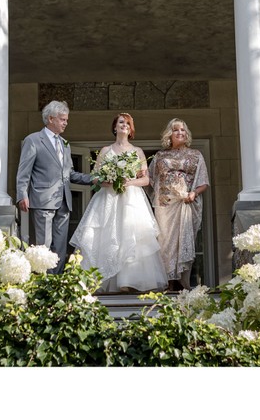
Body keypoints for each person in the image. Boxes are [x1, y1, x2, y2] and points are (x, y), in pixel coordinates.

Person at [69, 113, 167, 293]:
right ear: (115, 127)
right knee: (108, 236)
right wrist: (111, 181)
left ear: (131, 130)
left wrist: (127, 182)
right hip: (108, 198)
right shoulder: (106, 150)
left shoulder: (137, 151)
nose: (124, 125)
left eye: (128, 124)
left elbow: (146, 180)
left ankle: (128, 281)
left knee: (131, 236)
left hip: (132, 200)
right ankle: (102, 280)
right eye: (121, 122)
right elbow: (96, 177)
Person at [16, 100, 93, 273]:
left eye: (66, 120)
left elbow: (69, 174)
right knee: (44, 245)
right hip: (43, 200)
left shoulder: (65, 143)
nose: (66, 123)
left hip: (64, 202)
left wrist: (93, 179)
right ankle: (44, 282)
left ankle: (56, 282)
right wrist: (22, 194)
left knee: (60, 246)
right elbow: (24, 171)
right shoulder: (33, 140)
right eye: (62, 119)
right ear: (51, 119)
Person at [148, 118, 209, 291]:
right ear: (170, 134)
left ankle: (183, 281)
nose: (180, 133)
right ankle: (166, 282)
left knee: (184, 240)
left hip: (185, 203)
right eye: (176, 130)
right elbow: (149, 178)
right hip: (165, 203)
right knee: (164, 241)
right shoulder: (160, 155)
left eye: (183, 130)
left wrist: (193, 193)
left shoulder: (196, 155)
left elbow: (204, 181)